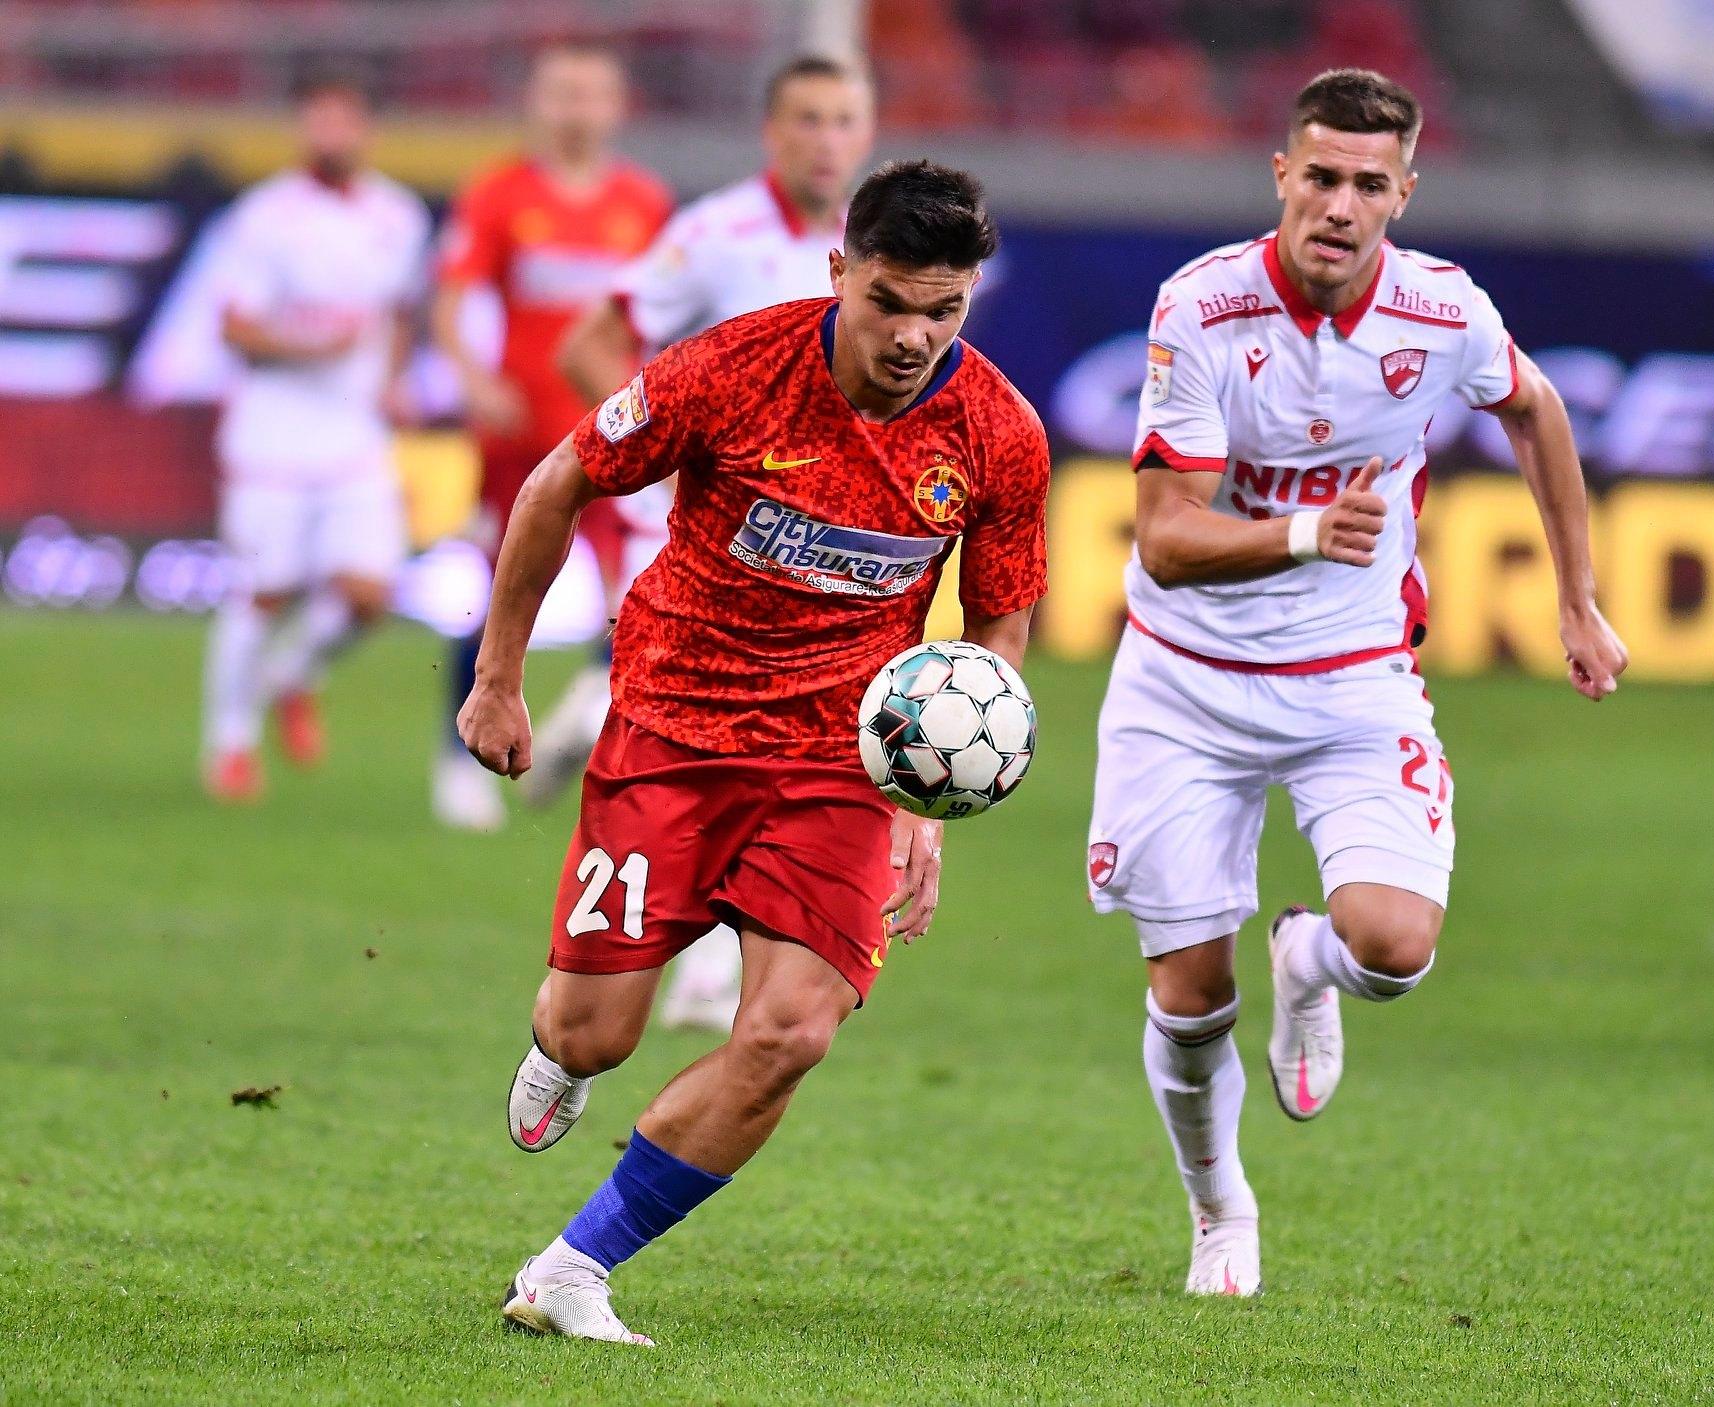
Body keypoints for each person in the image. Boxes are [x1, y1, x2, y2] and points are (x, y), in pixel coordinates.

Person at [458, 160, 1049, 1343]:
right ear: (840, 272)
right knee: (593, 1031)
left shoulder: (999, 434)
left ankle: (574, 1267)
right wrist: (498, 679)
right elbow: (557, 484)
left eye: (944, 310)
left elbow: (997, 627)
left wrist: (926, 800)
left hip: (840, 762)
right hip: (673, 730)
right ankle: (565, 1051)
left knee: (789, 1034)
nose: (914, 336)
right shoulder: (731, 369)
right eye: (890, 301)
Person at [1087, 69, 1629, 1297]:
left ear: (1405, 194)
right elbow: (1165, 538)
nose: (1340, 205)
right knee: (1192, 1000)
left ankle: (1310, 962)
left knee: (1393, 948)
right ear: (1281, 174)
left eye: (1368, 185)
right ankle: (1221, 1210)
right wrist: (1300, 533)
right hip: (1186, 686)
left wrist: (1578, 599)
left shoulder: (1444, 310)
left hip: (1354, 676)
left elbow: (1536, 410)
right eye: (1321, 176)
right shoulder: (1203, 307)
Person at [544, 53, 876, 1033]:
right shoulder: (714, 234)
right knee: (718, 729)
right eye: (807, 119)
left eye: (843, 120)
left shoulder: (881, 251)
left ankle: (591, 709)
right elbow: (586, 344)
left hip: (816, 541)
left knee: (781, 735)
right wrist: (656, 450)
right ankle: (600, 721)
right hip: (705, 530)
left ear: (866, 133)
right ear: (771, 133)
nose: (826, 140)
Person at [430, 43, 672, 831]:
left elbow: (663, 317)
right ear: (537, 103)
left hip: (618, 437)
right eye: (562, 92)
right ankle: (456, 756)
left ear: (617, 105)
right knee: (497, 594)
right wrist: (474, 379)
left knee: (637, 598)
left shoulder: (643, 202)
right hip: (521, 440)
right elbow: (451, 300)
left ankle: (583, 713)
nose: (576, 108)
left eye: (591, 93)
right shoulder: (499, 192)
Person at [201, 69, 430, 801]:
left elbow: (399, 312)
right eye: (319, 119)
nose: (333, 134)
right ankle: (231, 744)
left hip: (354, 430)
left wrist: (392, 380)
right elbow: (234, 327)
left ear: (366, 129)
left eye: (345, 120)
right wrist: (310, 349)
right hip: (273, 432)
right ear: (302, 128)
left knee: (370, 595)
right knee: (264, 593)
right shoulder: (264, 216)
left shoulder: (397, 216)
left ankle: (293, 674)